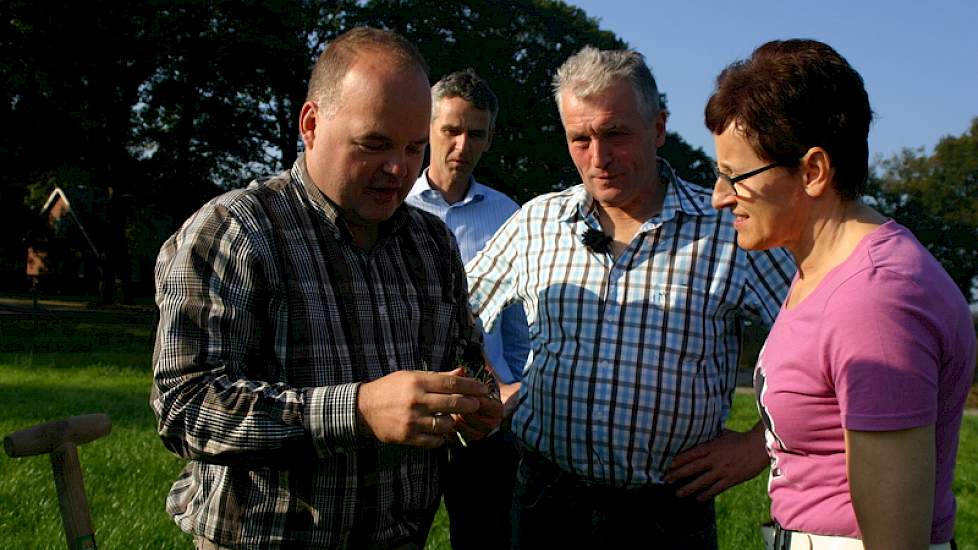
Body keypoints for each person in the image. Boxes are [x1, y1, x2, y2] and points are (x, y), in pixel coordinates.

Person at [151, 27, 502, 549]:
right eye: (375, 144)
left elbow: (466, 358)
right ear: (312, 124)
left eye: (413, 147)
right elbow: (185, 407)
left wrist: (474, 403)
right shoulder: (235, 231)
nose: (399, 169)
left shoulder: (431, 243)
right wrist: (358, 411)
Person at [464, 46, 795, 548]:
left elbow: (820, 343)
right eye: (580, 139)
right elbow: (453, 311)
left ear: (658, 127)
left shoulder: (727, 229)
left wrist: (759, 445)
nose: (598, 158)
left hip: (667, 514)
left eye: (615, 133)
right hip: (546, 502)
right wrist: (488, 390)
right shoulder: (537, 222)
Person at [706, 39, 974, 550]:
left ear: (812, 171)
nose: (720, 197)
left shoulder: (873, 302)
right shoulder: (825, 271)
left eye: (734, 176)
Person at [405, 68, 529, 550]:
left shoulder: (509, 216)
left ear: (490, 137)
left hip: (484, 416)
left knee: (485, 537)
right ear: (428, 126)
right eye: (450, 129)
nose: (462, 143)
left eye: (475, 132)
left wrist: (519, 386)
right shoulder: (394, 206)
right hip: (408, 407)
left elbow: (521, 323)